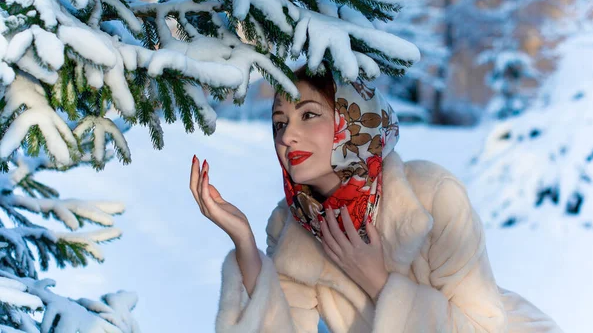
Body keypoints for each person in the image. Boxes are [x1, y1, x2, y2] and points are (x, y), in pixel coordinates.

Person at [189, 63, 563, 332]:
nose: (287, 137)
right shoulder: (291, 223)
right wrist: (244, 243)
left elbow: (484, 326)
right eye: (279, 123)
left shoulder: (431, 195)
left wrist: (377, 279)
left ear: (353, 122)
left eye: (309, 115)